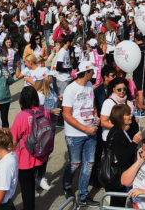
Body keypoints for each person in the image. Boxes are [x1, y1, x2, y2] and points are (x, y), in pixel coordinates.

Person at [62, 61, 98, 205]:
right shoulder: (70, 89)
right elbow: (66, 115)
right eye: (92, 72)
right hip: (75, 135)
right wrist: (85, 129)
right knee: (75, 163)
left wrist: (95, 116)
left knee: (89, 163)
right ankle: (67, 184)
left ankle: (83, 196)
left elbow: (92, 104)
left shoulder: (89, 86)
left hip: (91, 132)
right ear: (87, 72)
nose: (94, 74)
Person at [10, 86, 50, 210]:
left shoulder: (21, 116)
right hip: (40, 155)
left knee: (26, 187)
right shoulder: (44, 111)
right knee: (32, 180)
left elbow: (14, 139)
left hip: (24, 158)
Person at [105, 104, 143, 207]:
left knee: (119, 201)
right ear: (120, 117)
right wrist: (134, 143)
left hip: (119, 173)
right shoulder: (117, 134)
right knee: (118, 203)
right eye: (127, 114)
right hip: (117, 175)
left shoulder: (121, 130)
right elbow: (122, 159)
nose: (131, 115)